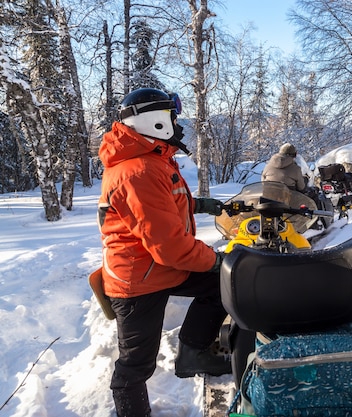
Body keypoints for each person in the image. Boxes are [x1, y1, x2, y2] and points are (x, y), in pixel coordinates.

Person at [97, 88, 230, 417]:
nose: (176, 123)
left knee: (219, 287)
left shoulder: (150, 159)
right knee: (135, 365)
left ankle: (192, 353)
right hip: (137, 280)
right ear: (155, 122)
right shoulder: (138, 170)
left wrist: (198, 205)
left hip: (157, 267)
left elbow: (162, 206)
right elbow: (169, 246)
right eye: (172, 117)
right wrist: (216, 260)